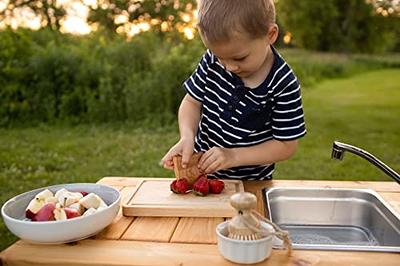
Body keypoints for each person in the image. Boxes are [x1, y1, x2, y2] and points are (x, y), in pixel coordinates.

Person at [161, 0, 306, 180]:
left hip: (250, 186)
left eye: (240, 58)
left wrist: (233, 156)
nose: (229, 67)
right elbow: (191, 102)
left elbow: (286, 146)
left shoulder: (283, 83)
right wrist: (187, 137)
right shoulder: (211, 61)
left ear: (270, 35)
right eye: (220, 57)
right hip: (202, 177)